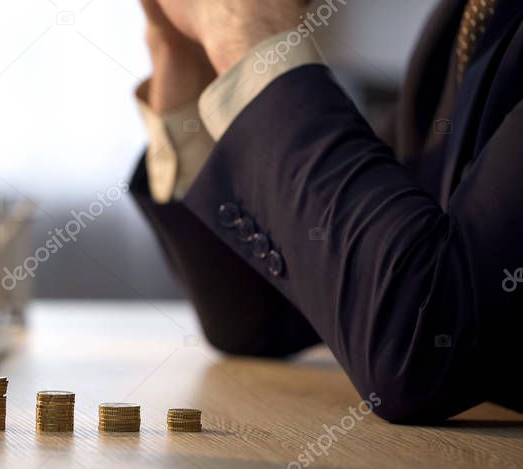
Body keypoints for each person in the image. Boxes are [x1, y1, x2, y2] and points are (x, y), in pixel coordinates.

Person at [129, 0, 523, 423]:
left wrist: (252, 37)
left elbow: (418, 347)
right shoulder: (467, 17)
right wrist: (183, 55)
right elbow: (265, 316)